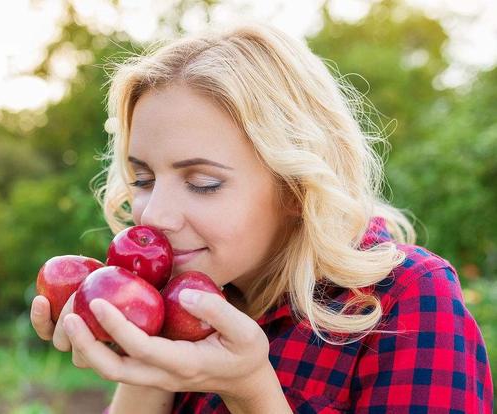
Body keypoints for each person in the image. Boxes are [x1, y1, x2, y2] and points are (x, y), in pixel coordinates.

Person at [30, 21, 493, 413]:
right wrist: (141, 359)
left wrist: (251, 390)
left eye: (203, 183)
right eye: (144, 178)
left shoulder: (406, 300)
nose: (152, 215)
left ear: (295, 187)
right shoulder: (188, 294)